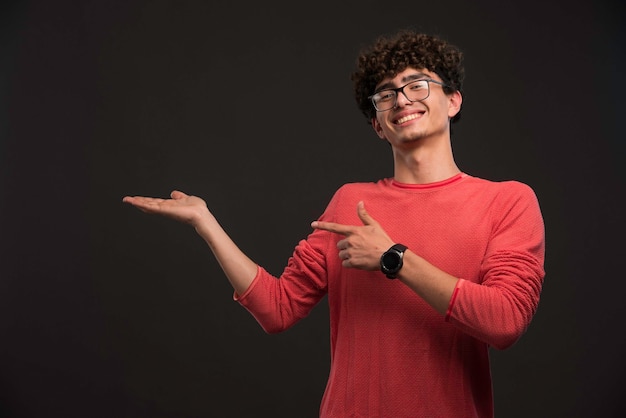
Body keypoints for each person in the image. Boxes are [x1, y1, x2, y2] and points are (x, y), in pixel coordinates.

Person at [123, 29, 545, 418]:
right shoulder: (350, 202)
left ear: (453, 100)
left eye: (417, 85)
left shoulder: (506, 201)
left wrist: (392, 257)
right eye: (385, 95)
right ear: (378, 126)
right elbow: (277, 309)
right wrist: (206, 223)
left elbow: (505, 322)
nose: (401, 100)